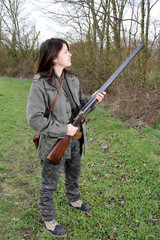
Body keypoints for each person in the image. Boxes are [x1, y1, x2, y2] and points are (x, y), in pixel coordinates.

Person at [27, 38, 106, 237]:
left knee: (74, 174)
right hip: (55, 142)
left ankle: (74, 199)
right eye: (65, 51)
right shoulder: (40, 83)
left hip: (76, 139)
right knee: (49, 183)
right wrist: (64, 129)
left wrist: (93, 100)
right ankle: (48, 218)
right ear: (53, 57)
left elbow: (79, 107)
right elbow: (35, 120)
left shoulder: (72, 78)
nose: (70, 54)